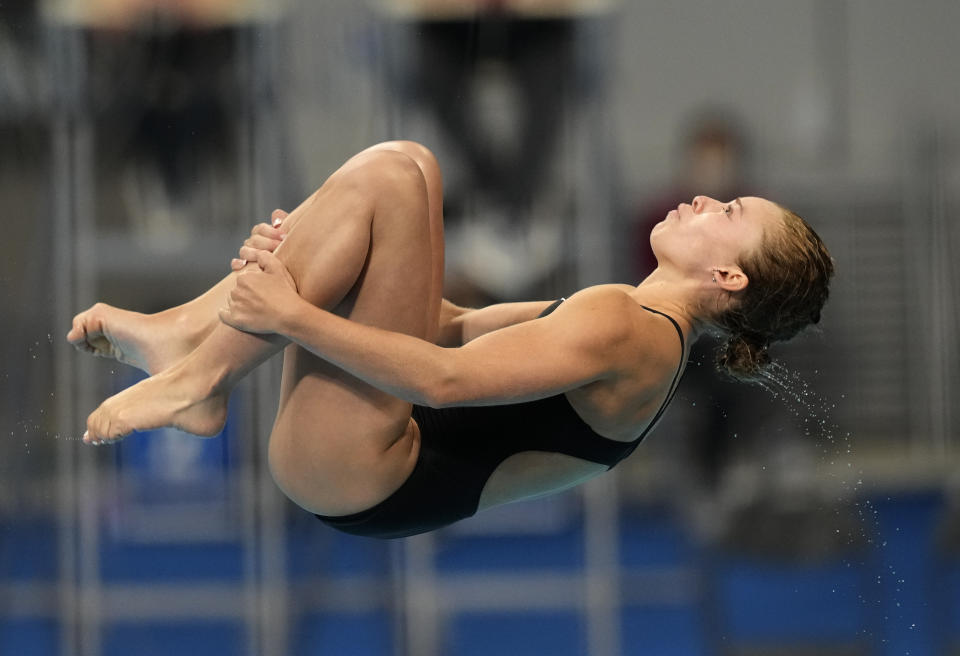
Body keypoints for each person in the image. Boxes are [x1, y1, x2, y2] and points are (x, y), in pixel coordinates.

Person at [67, 141, 834, 539]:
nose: (702, 198)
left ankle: (202, 379)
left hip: (368, 472)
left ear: (729, 279)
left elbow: (443, 380)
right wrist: (306, 261)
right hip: (371, 476)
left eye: (726, 210)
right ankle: (185, 337)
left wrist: (291, 314)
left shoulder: (630, 330)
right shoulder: (633, 317)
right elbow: (451, 325)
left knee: (394, 182)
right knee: (407, 168)